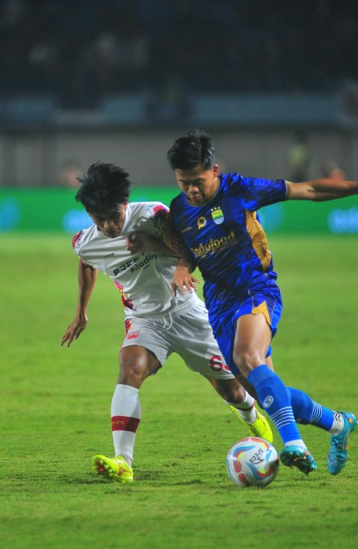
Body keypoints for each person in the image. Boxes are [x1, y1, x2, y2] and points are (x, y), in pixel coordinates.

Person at [166, 130, 358, 475]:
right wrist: (182, 266)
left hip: (256, 289)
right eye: (183, 183)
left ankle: (294, 444)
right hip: (219, 305)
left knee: (246, 356)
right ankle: (339, 424)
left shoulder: (239, 189)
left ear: (214, 170)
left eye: (197, 182)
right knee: (266, 389)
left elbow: (309, 189)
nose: (191, 190)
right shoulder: (179, 210)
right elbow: (190, 248)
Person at [60, 162, 272, 483]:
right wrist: (81, 312)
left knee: (231, 391)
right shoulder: (86, 241)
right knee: (129, 368)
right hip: (145, 319)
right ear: (90, 215)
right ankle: (123, 462)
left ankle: (251, 414)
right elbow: (87, 263)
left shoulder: (153, 216)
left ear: (125, 204)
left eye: (114, 217)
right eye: (99, 220)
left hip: (188, 314)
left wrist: (159, 251)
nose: (109, 226)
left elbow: (190, 249)